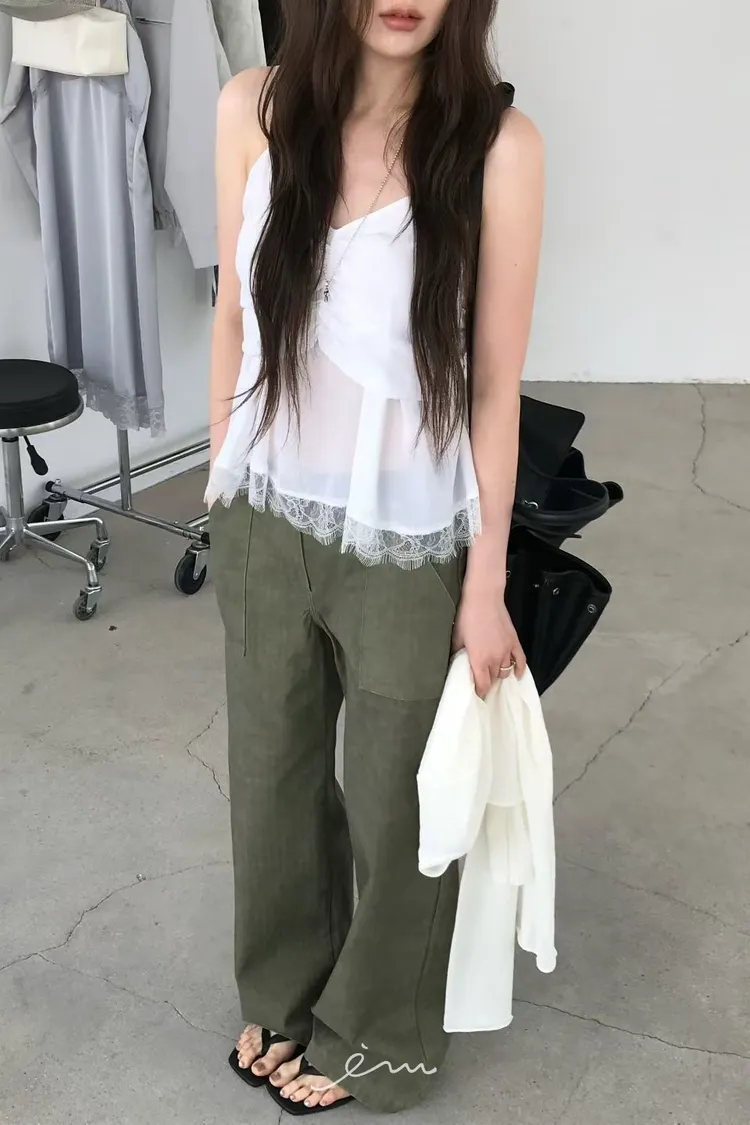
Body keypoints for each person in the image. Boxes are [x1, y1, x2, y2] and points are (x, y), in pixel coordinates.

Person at [206, 0, 544, 1114]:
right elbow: (233, 313)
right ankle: (283, 992)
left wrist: (485, 582)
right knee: (272, 778)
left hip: (409, 530)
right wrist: (221, 475)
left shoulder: (497, 147)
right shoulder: (253, 109)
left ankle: (378, 1033)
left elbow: (495, 385)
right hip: (265, 509)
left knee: (403, 799)